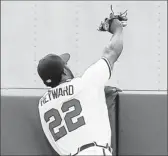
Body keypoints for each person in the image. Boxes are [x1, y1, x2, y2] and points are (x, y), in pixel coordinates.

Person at [37, 7, 127, 156]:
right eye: (66, 65)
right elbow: (112, 51)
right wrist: (117, 28)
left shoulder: (42, 106)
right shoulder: (85, 83)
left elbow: (67, 101)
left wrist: (98, 91)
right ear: (64, 71)